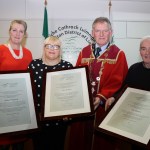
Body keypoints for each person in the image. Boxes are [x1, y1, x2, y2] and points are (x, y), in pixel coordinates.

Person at [67, 17, 128, 150]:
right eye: (98, 31)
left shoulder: (118, 54)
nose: (101, 34)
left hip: (103, 108)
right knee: (80, 140)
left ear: (110, 32)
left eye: (105, 31)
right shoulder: (84, 51)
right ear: (92, 32)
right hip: (82, 108)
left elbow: (118, 82)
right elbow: (76, 77)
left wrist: (100, 97)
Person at [28, 36, 73, 150]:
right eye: (49, 46)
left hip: (59, 120)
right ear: (44, 48)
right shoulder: (33, 65)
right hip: (38, 119)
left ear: (60, 49)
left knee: (57, 146)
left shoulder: (67, 67)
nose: (52, 49)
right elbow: (28, 91)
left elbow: (72, 93)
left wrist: (70, 112)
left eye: (56, 46)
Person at [106, 35, 150, 150]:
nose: (147, 52)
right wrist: (114, 98)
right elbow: (124, 89)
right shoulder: (134, 69)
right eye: (143, 49)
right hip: (136, 124)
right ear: (139, 51)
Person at [0, 20, 32, 150]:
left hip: (21, 107)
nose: (17, 34)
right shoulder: (1, 50)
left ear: (24, 34)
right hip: (3, 106)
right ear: (9, 31)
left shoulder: (28, 53)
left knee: (19, 144)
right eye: (14, 30)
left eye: (21, 31)